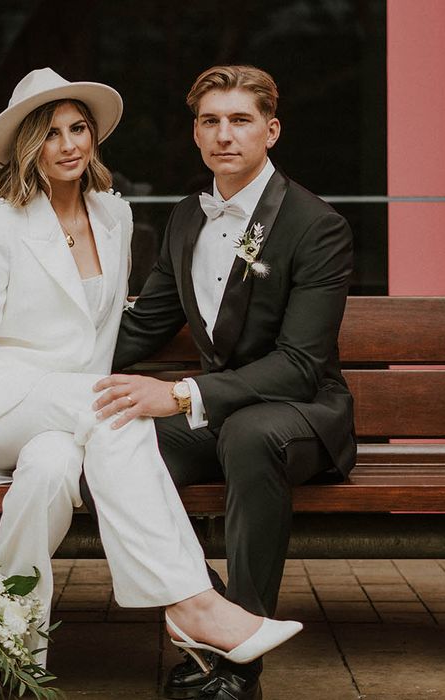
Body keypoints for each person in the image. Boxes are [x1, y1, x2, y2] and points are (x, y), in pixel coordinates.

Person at [0, 67, 302, 678]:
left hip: (66, 411)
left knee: (50, 472)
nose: (70, 144)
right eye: (51, 134)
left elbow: (105, 329)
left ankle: (8, 656)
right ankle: (193, 602)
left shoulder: (115, 216)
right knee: (120, 407)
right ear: (31, 146)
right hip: (3, 404)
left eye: (78, 129)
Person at [92, 65, 356, 700]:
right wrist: (43, 365)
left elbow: (299, 363)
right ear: (196, 134)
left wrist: (181, 394)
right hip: (224, 415)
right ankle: (206, 605)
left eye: (240, 120)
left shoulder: (316, 226)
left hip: (301, 415)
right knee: (113, 443)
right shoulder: (186, 217)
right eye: (210, 121)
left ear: (271, 130)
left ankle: (241, 668)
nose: (224, 134)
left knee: (248, 435)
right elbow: (142, 328)